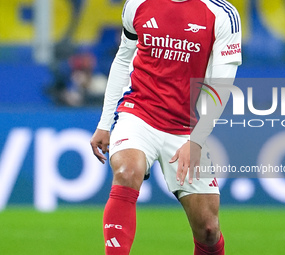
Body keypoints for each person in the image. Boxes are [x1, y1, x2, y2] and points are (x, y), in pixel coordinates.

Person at [90, 0, 242, 254]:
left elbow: (221, 84)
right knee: (127, 171)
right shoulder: (137, 4)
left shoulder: (222, 13)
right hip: (138, 114)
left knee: (208, 230)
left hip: (187, 128)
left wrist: (196, 140)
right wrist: (105, 123)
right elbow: (123, 58)